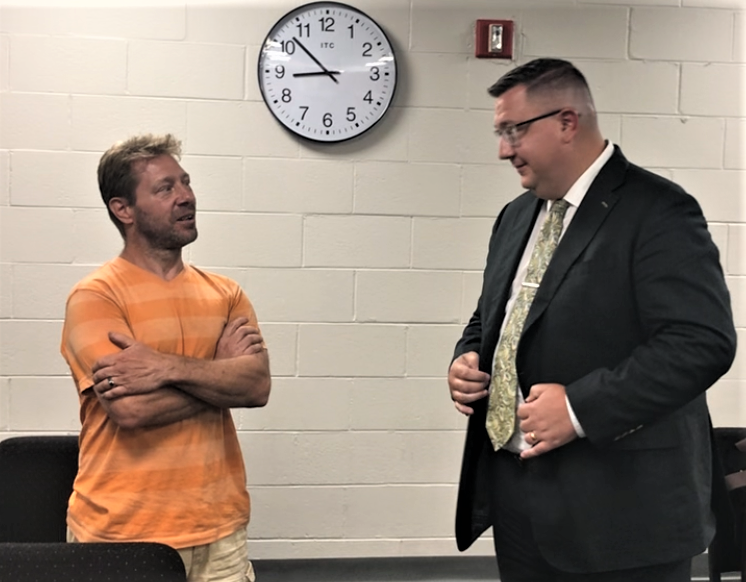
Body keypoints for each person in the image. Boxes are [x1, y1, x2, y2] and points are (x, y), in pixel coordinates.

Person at [448, 58, 737, 582]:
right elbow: (495, 313)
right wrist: (467, 357)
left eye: (514, 130)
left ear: (566, 122)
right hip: (519, 498)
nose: (503, 149)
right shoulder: (517, 216)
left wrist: (580, 408)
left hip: (624, 513)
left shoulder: (659, 211)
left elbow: (701, 342)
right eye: (499, 132)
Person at [60, 133, 271, 582]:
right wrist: (220, 375)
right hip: (121, 535)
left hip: (221, 534)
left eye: (186, 183)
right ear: (124, 209)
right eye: (165, 188)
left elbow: (256, 387)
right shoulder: (95, 297)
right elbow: (131, 409)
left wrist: (164, 367)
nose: (186, 197)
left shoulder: (225, 294)